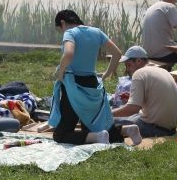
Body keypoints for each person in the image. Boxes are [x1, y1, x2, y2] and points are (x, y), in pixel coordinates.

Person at [49, 10, 141, 146]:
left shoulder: (70, 33)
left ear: (62, 23)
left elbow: (68, 53)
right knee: (92, 124)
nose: (61, 33)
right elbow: (117, 53)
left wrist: (61, 72)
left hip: (74, 85)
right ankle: (127, 130)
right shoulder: (96, 32)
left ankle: (98, 137)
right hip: (92, 84)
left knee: (60, 135)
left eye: (59, 30)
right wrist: (107, 74)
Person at [112, 46, 177, 137]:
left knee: (112, 120)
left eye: (128, 65)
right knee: (127, 116)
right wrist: (133, 97)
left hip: (153, 129)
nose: (128, 70)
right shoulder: (162, 70)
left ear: (138, 61)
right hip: (170, 128)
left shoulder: (139, 73)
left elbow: (133, 108)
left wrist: (109, 114)